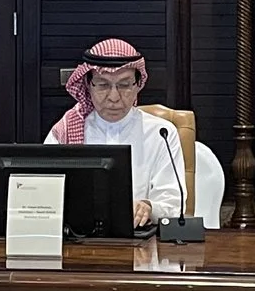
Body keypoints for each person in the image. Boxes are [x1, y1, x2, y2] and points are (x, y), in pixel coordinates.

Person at [44, 38, 184, 228]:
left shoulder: (162, 134)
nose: (114, 97)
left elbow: (174, 203)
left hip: (142, 242)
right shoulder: (65, 130)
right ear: (87, 84)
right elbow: (42, 195)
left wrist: (148, 207)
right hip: (78, 242)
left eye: (124, 85)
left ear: (138, 85)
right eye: (102, 85)